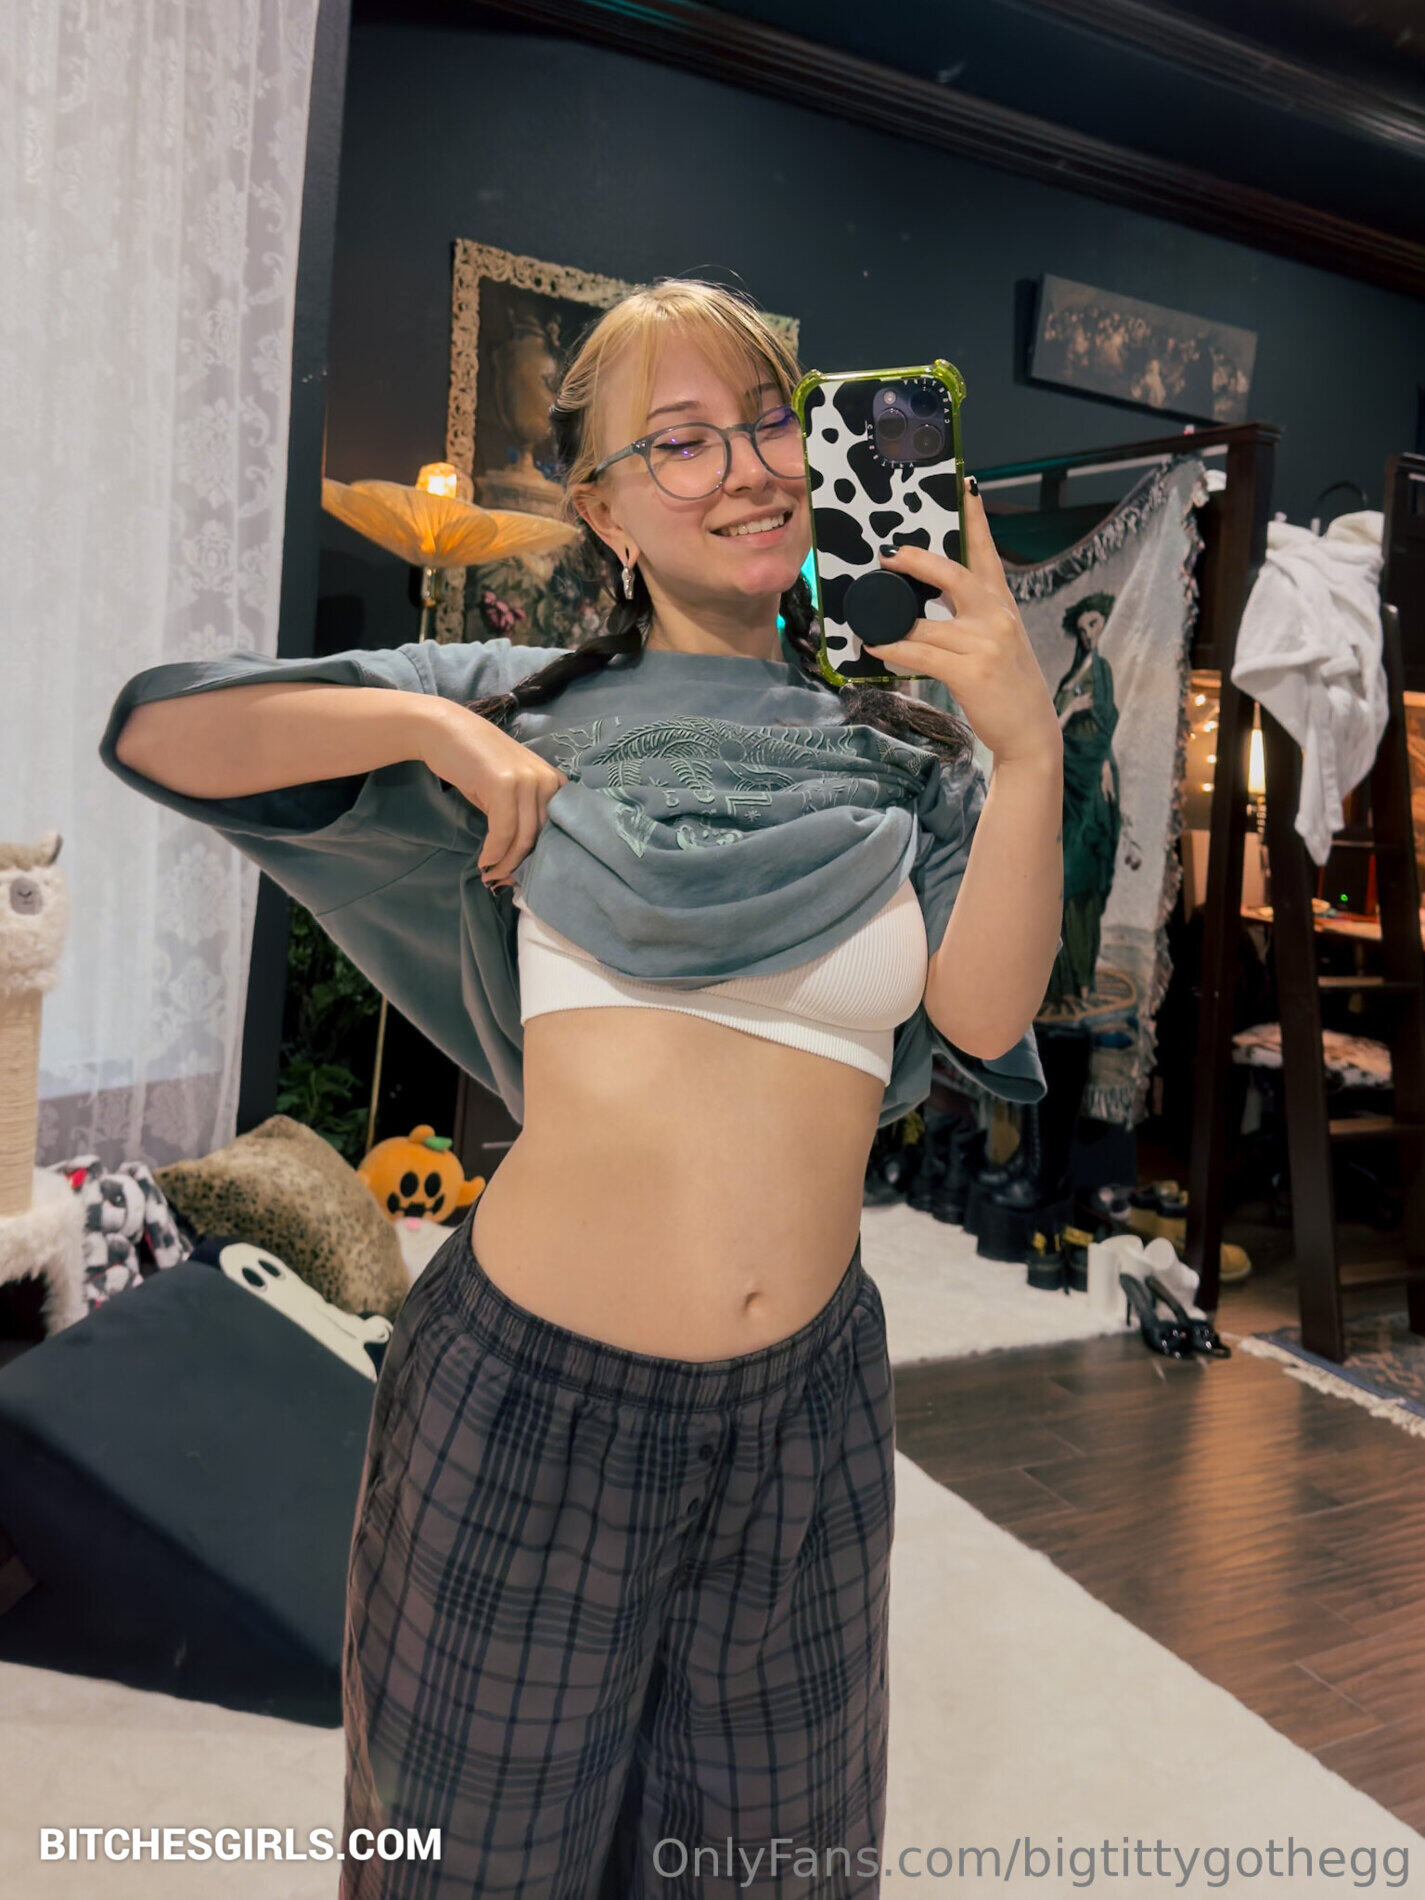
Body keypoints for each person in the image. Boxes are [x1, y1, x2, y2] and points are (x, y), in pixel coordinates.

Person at [103, 279, 1063, 1898]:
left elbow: (983, 1013)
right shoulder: (518, 699)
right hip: (526, 1411)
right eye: (679, 442)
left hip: (808, 1419)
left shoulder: (901, 748)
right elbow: (163, 736)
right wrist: (436, 730)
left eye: (768, 421)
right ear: (604, 509)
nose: (745, 467)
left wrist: (1027, 751)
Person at [1047, 592, 1121, 1003]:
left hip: (1092, 782)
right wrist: (1072, 709)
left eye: (1094, 624)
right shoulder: (1074, 675)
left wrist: (1105, 765)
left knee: (1084, 879)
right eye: (1082, 628)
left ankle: (1082, 975)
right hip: (1066, 784)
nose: (1089, 634)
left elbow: (1105, 723)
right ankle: (1062, 978)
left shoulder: (1103, 669)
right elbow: (1052, 726)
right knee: (1063, 878)